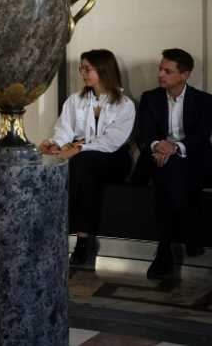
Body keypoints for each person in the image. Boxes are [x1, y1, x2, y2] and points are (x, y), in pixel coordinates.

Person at [40, 49, 136, 270]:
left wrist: (79, 147)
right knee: (84, 171)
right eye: (81, 68)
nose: (82, 73)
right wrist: (54, 143)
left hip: (114, 159)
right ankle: (83, 241)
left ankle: (60, 231)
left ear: (103, 69)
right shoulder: (76, 100)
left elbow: (112, 141)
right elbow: (64, 129)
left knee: (81, 162)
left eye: (87, 68)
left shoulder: (124, 104)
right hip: (84, 160)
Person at [134, 48, 212, 279]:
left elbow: (200, 137)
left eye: (167, 71)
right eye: (160, 69)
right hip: (158, 158)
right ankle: (189, 238)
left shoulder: (204, 101)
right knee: (170, 170)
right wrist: (159, 146)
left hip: (191, 159)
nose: (161, 74)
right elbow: (144, 134)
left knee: (172, 171)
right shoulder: (150, 98)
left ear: (184, 75)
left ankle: (164, 251)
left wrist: (175, 148)